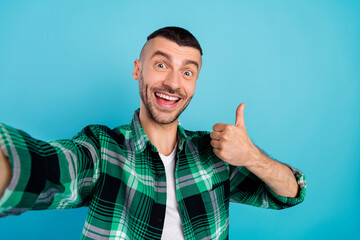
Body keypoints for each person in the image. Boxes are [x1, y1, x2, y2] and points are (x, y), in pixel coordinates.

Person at [0, 26, 306, 240]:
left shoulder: (216, 156)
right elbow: (50, 167)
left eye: (187, 72)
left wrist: (251, 157)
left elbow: (290, 193)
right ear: (137, 70)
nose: (173, 83)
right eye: (161, 64)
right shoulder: (103, 149)